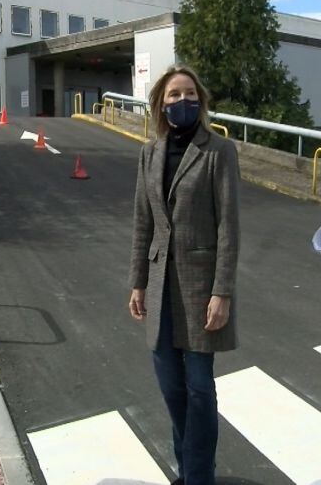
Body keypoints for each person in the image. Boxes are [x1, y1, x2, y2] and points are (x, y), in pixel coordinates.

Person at [127, 64, 240, 485]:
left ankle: (197, 476)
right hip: (159, 286)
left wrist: (222, 291)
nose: (182, 102)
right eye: (173, 95)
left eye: (189, 94)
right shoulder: (149, 153)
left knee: (198, 388)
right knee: (172, 389)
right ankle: (189, 467)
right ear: (160, 103)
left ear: (201, 100)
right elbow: (143, 222)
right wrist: (137, 281)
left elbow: (228, 225)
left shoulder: (218, 151)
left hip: (200, 287)